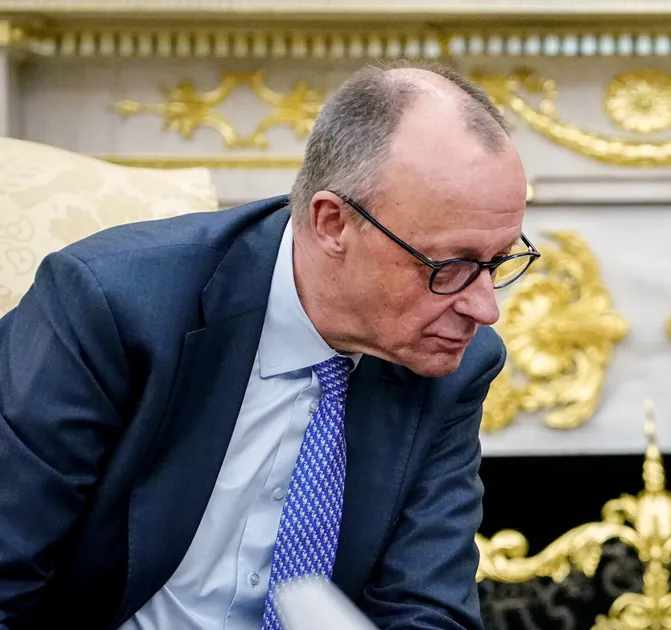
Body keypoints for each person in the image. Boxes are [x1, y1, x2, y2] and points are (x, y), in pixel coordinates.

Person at [0, 59, 537, 629]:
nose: (486, 308)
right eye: (450, 265)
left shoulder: (455, 364)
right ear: (333, 224)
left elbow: (428, 607)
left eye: (499, 262)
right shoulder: (113, 306)